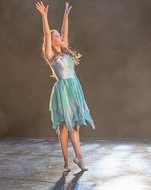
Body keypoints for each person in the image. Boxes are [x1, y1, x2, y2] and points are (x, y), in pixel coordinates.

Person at [35, 1, 96, 173]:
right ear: (52, 40)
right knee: (63, 128)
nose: (60, 37)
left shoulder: (65, 51)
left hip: (74, 88)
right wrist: (44, 16)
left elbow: (65, 31)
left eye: (60, 35)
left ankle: (79, 158)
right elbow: (47, 34)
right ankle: (66, 162)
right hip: (62, 91)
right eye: (57, 36)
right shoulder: (51, 55)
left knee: (74, 127)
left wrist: (66, 15)